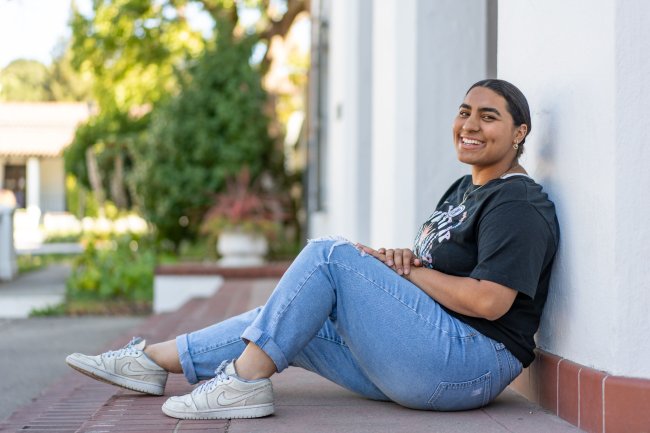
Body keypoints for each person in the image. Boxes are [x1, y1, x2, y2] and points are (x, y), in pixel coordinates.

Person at [66, 79, 559, 420]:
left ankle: (244, 382)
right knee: (293, 317)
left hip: (469, 364)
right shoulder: (463, 190)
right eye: (464, 112)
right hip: (432, 356)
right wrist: (405, 264)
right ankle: (151, 362)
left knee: (330, 255)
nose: (470, 125)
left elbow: (489, 302)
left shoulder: (517, 200)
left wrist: (405, 275)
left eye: (488, 117)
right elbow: (443, 274)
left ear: (518, 134)